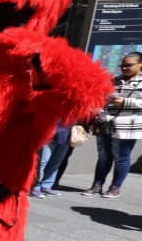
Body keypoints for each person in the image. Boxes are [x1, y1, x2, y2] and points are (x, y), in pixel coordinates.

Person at [82, 52, 142, 199]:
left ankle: (115, 188)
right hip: (105, 122)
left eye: (129, 65)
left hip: (127, 125)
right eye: (122, 65)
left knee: (121, 157)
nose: (124, 68)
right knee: (103, 156)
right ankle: (97, 185)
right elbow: (100, 98)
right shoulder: (113, 80)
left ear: (140, 64)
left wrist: (125, 102)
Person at [30, 124, 71, 198]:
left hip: (66, 135)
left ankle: (46, 185)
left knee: (56, 163)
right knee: (42, 162)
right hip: (50, 134)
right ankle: (34, 186)